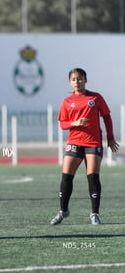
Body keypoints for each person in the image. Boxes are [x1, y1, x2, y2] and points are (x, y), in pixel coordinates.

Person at [50, 68, 119, 225]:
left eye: (80, 78)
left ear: (85, 80)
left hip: (93, 142)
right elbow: (62, 123)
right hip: (74, 142)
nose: (77, 82)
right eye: (74, 79)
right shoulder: (67, 102)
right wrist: (75, 123)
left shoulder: (95, 97)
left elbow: (107, 117)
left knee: (93, 177)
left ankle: (94, 214)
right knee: (66, 176)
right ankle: (63, 211)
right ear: (70, 82)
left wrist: (111, 138)